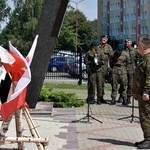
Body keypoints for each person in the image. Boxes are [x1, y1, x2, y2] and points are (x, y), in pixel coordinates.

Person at [133, 37, 150, 149]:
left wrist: (146, 92)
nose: (137, 47)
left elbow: (149, 76)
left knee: (146, 117)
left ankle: (149, 140)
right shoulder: (145, 58)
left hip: (146, 95)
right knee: (144, 117)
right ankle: (147, 138)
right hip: (141, 93)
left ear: (142, 46)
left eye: (138, 45)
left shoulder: (148, 59)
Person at [118, 38, 142, 104]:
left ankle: (129, 97)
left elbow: (141, 57)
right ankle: (122, 96)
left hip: (132, 69)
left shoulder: (135, 50)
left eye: (128, 42)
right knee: (123, 83)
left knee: (130, 84)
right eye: (126, 42)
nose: (127, 43)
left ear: (131, 43)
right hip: (124, 69)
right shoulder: (122, 50)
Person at [84, 39, 106, 104]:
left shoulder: (101, 51)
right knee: (91, 84)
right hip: (92, 70)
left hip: (99, 70)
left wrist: (100, 62)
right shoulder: (89, 52)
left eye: (98, 45)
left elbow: (104, 60)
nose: (97, 47)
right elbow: (85, 61)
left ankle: (99, 98)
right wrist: (91, 62)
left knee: (100, 84)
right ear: (93, 45)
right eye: (96, 46)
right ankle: (91, 98)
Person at [99, 35, 113, 101]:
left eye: (105, 38)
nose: (104, 39)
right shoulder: (97, 46)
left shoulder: (109, 47)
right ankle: (96, 97)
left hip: (104, 67)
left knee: (102, 82)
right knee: (98, 82)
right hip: (97, 67)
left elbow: (112, 56)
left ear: (107, 40)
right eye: (103, 38)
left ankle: (101, 97)